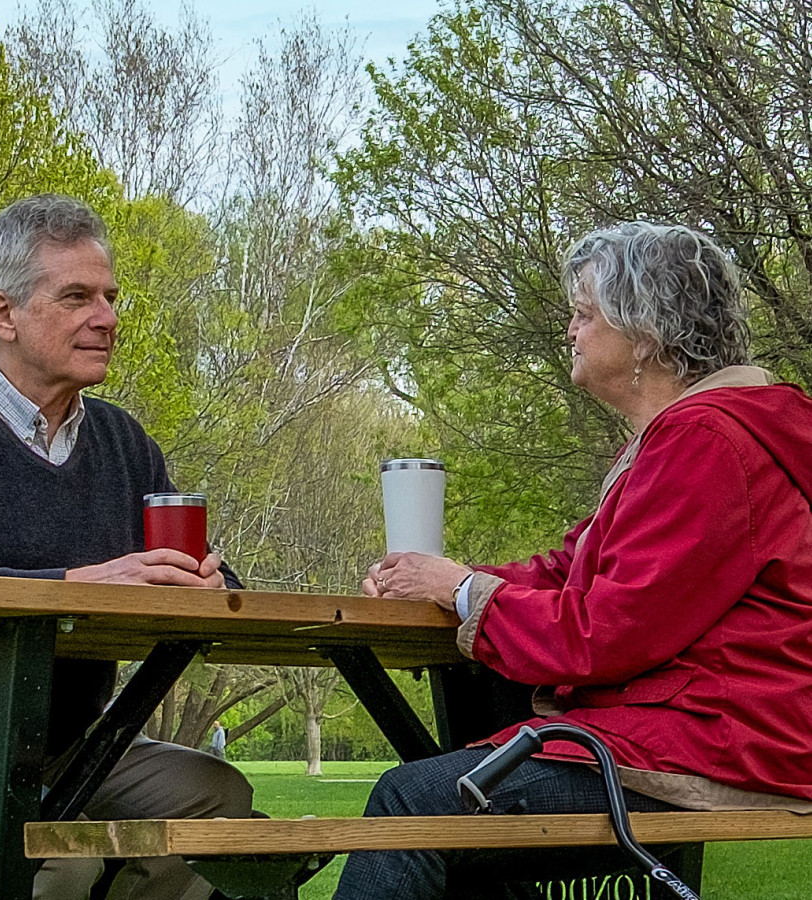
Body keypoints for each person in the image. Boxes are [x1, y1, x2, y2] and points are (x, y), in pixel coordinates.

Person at [334, 222, 812, 900]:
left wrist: (467, 589)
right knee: (456, 811)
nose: (571, 331)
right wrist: (439, 582)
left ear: (644, 334)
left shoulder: (707, 441)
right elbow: (570, 570)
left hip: (718, 747)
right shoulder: (685, 436)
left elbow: (607, 631)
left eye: (585, 315)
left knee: (412, 804)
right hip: (704, 734)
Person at [0, 194, 253, 900]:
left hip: (72, 745)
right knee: (63, 862)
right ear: (4, 314)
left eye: (109, 297)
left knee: (215, 794)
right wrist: (81, 584)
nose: (107, 317)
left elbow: (198, 574)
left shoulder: (125, 444)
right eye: (76, 298)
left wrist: (210, 584)